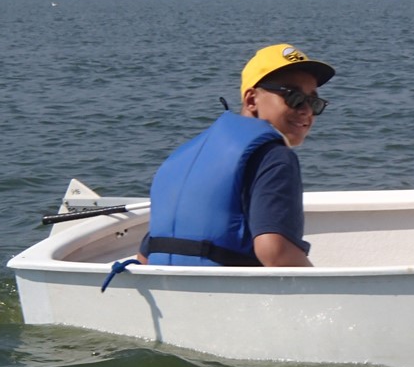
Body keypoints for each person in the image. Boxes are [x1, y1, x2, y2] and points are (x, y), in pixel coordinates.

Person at [139, 43, 334, 267]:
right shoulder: (274, 156)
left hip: (166, 286)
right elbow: (275, 251)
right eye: (294, 97)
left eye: (314, 102)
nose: (306, 110)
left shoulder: (179, 157)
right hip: (229, 288)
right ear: (251, 100)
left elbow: (144, 257)